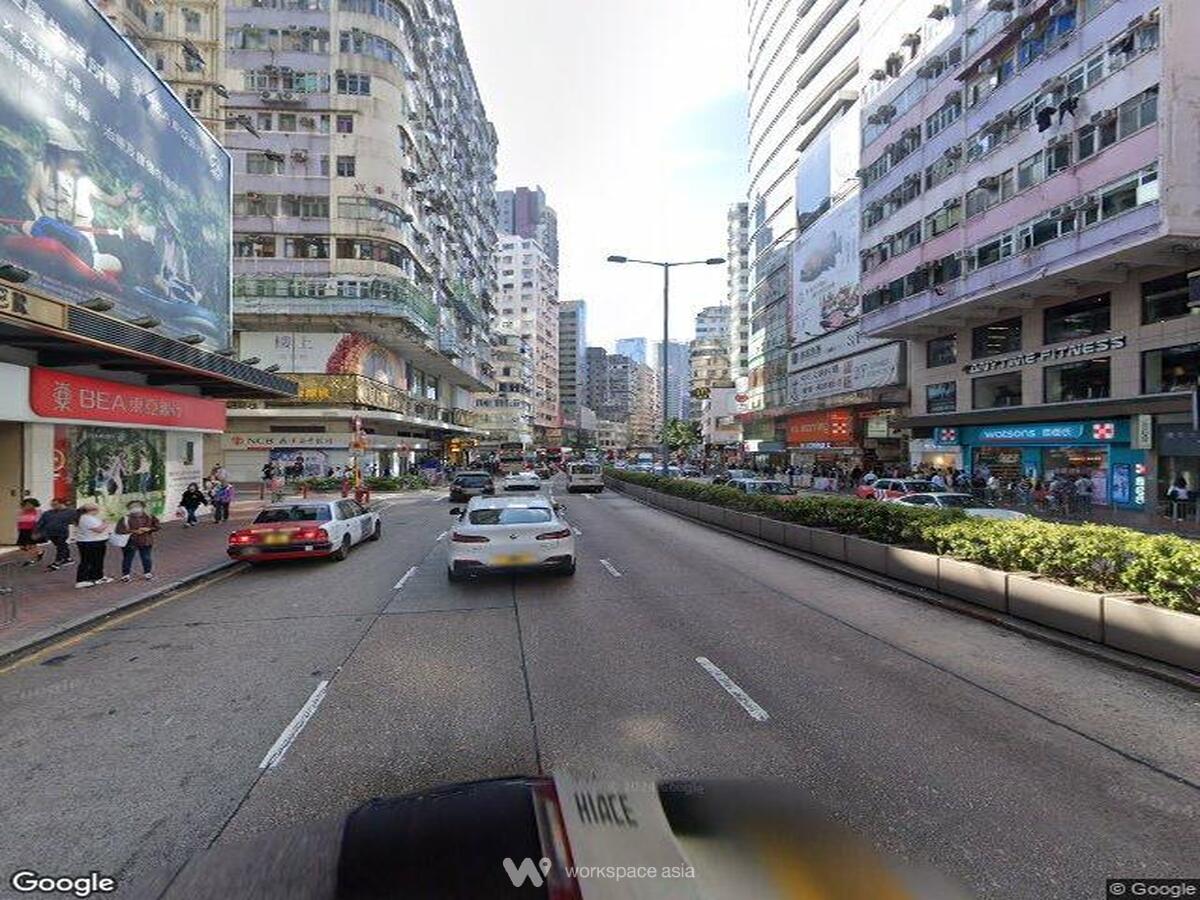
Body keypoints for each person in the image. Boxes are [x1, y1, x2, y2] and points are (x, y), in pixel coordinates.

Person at [115, 500, 160, 581]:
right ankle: (126, 575)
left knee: (146, 557)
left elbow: (157, 526)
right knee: (128, 558)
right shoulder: (125, 518)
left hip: (146, 541)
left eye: (137, 506)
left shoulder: (150, 516)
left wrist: (148, 529)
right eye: (132, 507)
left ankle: (147, 573)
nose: (135, 509)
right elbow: (119, 530)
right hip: (130, 542)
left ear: (143, 507)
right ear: (129, 509)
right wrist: (134, 531)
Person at [74, 503, 112, 588]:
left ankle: (97, 576)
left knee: (96, 561)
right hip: (92, 542)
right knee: (89, 561)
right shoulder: (87, 519)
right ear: (92, 510)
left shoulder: (88, 518)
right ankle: (82, 580)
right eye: (97, 509)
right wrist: (105, 523)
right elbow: (98, 529)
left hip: (92, 542)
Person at [37, 498, 78, 570]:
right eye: (52, 505)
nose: (53, 506)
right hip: (51, 533)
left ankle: (57, 561)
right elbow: (41, 523)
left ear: (61, 504)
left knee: (61, 546)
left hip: (62, 532)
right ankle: (67, 558)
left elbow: (77, 520)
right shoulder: (47, 513)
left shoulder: (71, 512)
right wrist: (37, 531)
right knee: (61, 545)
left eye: (55, 504)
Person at [16, 498, 43, 566]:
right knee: (22, 546)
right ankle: (40, 552)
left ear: (34, 505)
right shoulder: (21, 511)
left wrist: (38, 531)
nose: (28, 506)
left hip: (32, 530)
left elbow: (40, 522)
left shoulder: (38, 512)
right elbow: (19, 522)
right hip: (23, 530)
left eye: (30, 504)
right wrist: (19, 529)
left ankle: (31, 560)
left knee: (31, 545)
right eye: (26, 504)